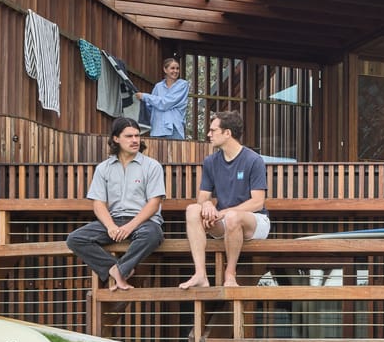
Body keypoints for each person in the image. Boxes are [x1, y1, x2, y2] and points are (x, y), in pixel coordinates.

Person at [65, 117, 166, 292]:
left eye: (137, 136)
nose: (135, 140)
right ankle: (113, 268)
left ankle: (120, 271)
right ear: (115, 139)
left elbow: (154, 203)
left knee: (153, 234)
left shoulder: (152, 166)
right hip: (113, 221)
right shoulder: (103, 168)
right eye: (129, 136)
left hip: (142, 223)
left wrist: (129, 227)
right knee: (75, 239)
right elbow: (98, 204)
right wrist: (111, 226)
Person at [178, 111, 268, 289]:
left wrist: (223, 212)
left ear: (227, 133)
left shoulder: (253, 160)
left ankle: (230, 275)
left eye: (213, 130)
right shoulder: (211, 161)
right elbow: (202, 196)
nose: (209, 135)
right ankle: (200, 274)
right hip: (223, 221)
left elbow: (258, 202)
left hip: (254, 221)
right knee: (192, 210)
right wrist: (207, 205)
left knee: (233, 216)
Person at [138, 57, 190, 140]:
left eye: (177, 68)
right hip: (157, 129)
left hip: (174, 128)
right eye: (172, 68)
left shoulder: (183, 85)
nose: (175, 71)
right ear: (165, 70)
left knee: (175, 153)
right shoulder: (158, 87)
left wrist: (144, 96)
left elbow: (165, 103)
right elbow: (149, 107)